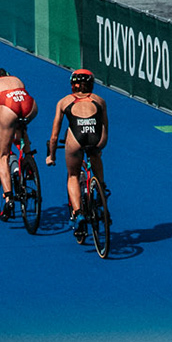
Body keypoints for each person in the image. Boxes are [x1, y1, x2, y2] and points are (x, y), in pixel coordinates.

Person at [46, 68, 109, 235]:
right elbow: (104, 129)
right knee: (95, 154)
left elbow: (54, 136)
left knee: (73, 175)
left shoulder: (64, 102)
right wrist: (99, 148)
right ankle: (101, 190)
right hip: (96, 138)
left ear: (73, 86)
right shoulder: (100, 101)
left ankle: (79, 213)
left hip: (76, 138)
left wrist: (51, 156)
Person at [0, 67, 36, 213]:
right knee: (21, 126)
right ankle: (28, 160)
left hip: (9, 108)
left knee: (3, 155)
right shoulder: (16, 79)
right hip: (30, 106)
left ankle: (9, 198)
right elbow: (20, 104)